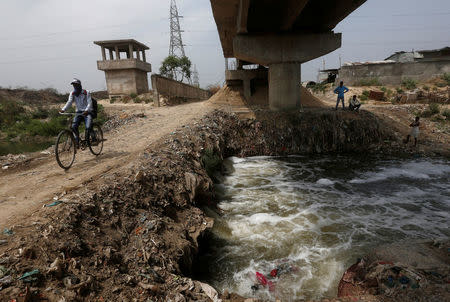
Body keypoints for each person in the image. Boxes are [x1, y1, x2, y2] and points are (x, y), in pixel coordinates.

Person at [59, 79, 93, 147]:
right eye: (74, 85)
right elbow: (69, 102)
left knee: (88, 126)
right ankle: (77, 141)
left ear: (80, 85)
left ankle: (93, 138)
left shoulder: (86, 92)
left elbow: (90, 103)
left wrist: (86, 110)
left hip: (87, 112)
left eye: (76, 84)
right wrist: (63, 109)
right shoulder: (72, 93)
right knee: (74, 126)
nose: (75, 86)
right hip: (78, 112)